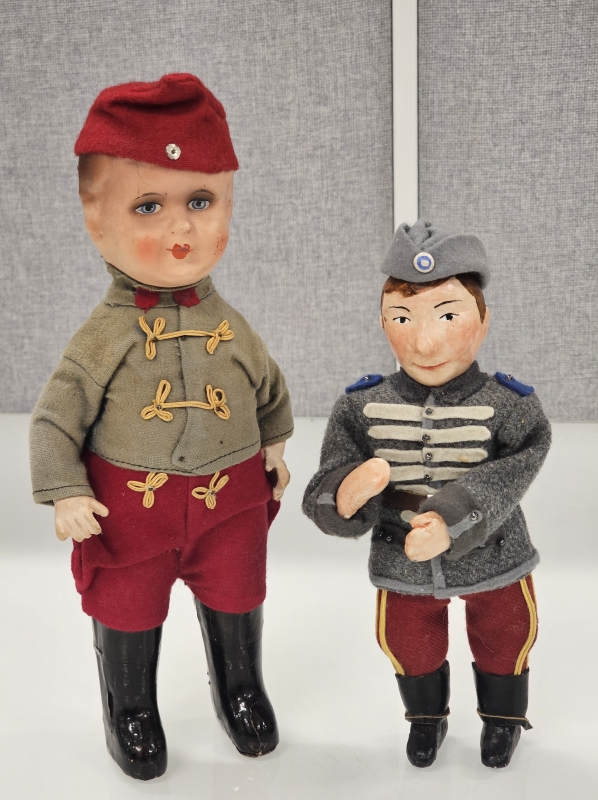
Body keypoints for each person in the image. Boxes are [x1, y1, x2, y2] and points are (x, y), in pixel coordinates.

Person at [29, 73, 293, 780]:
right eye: (149, 206)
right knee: (128, 607)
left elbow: (267, 386)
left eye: (200, 201)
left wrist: (273, 444)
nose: (181, 228)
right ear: (96, 220)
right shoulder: (103, 337)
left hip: (229, 504)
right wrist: (65, 490)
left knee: (238, 594)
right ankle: (131, 707)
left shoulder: (230, 325)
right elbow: (54, 418)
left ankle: (241, 688)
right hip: (130, 513)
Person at [302, 219, 550, 769]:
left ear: (483, 320)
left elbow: (519, 463)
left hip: (495, 551)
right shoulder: (359, 405)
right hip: (401, 555)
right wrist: (346, 491)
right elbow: (329, 478)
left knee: (506, 632)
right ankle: (425, 718)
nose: (424, 341)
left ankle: (502, 719)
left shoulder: (511, 404)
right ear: (382, 323)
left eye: (447, 315)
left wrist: (453, 518)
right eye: (402, 318)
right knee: (407, 640)